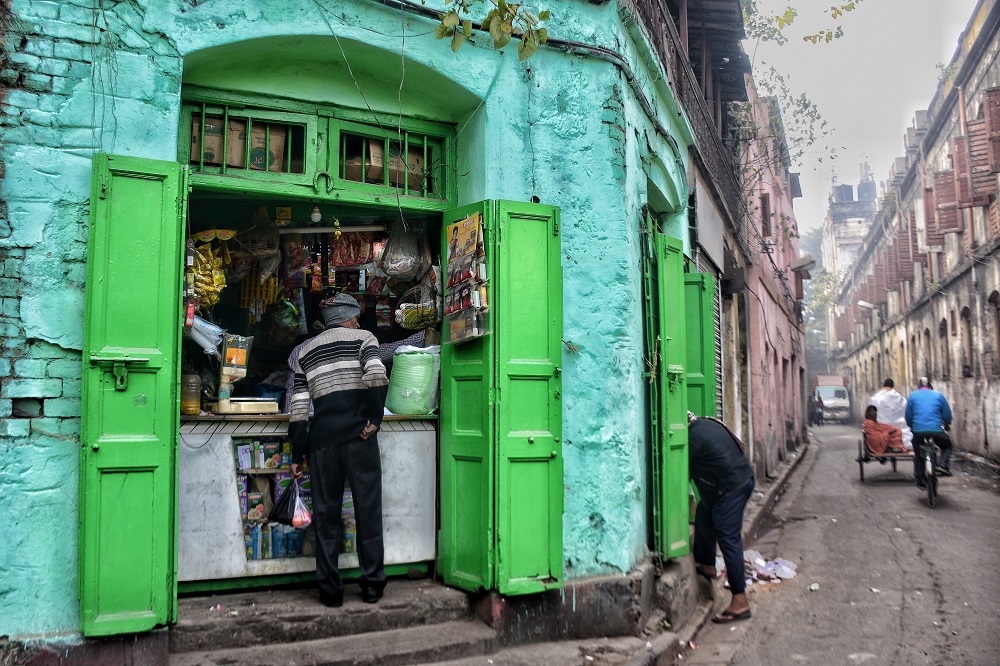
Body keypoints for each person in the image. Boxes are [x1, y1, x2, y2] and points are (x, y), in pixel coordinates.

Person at [289, 293, 389, 607]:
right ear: (346, 317)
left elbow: (299, 407)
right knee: (368, 512)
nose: (358, 321)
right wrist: (375, 418)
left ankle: (330, 592)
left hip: (322, 445)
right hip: (359, 439)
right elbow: (376, 375)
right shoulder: (364, 338)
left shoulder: (306, 351)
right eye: (355, 316)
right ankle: (372, 585)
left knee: (326, 516)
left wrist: (297, 454)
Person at [688, 412, 755, 624]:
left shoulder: (691, 439)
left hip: (730, 488)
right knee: (704, 511)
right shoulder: (707, 423)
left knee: (729, 538)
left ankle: (739, 601)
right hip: (743, 478)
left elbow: (679, 471)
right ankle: (706, 563)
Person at [905, 376, 954, 488]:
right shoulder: (938, 395)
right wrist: (946, 424)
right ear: (930, 386)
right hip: (936, 430)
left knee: (918, 455)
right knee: (947, 446)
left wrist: (911, 426)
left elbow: (908, 416)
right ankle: (942, 465)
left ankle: (920, 480)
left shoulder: (913, 396)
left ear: (919, 386)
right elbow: (947, 414)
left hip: (918, 431)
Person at [869, 378, 913, 450]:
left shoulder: (876, 398)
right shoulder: (900, 398)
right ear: (893, 386)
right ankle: (898, 444)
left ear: (884, 385)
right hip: (898, 429)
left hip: (881, 429)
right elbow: (905, 410)